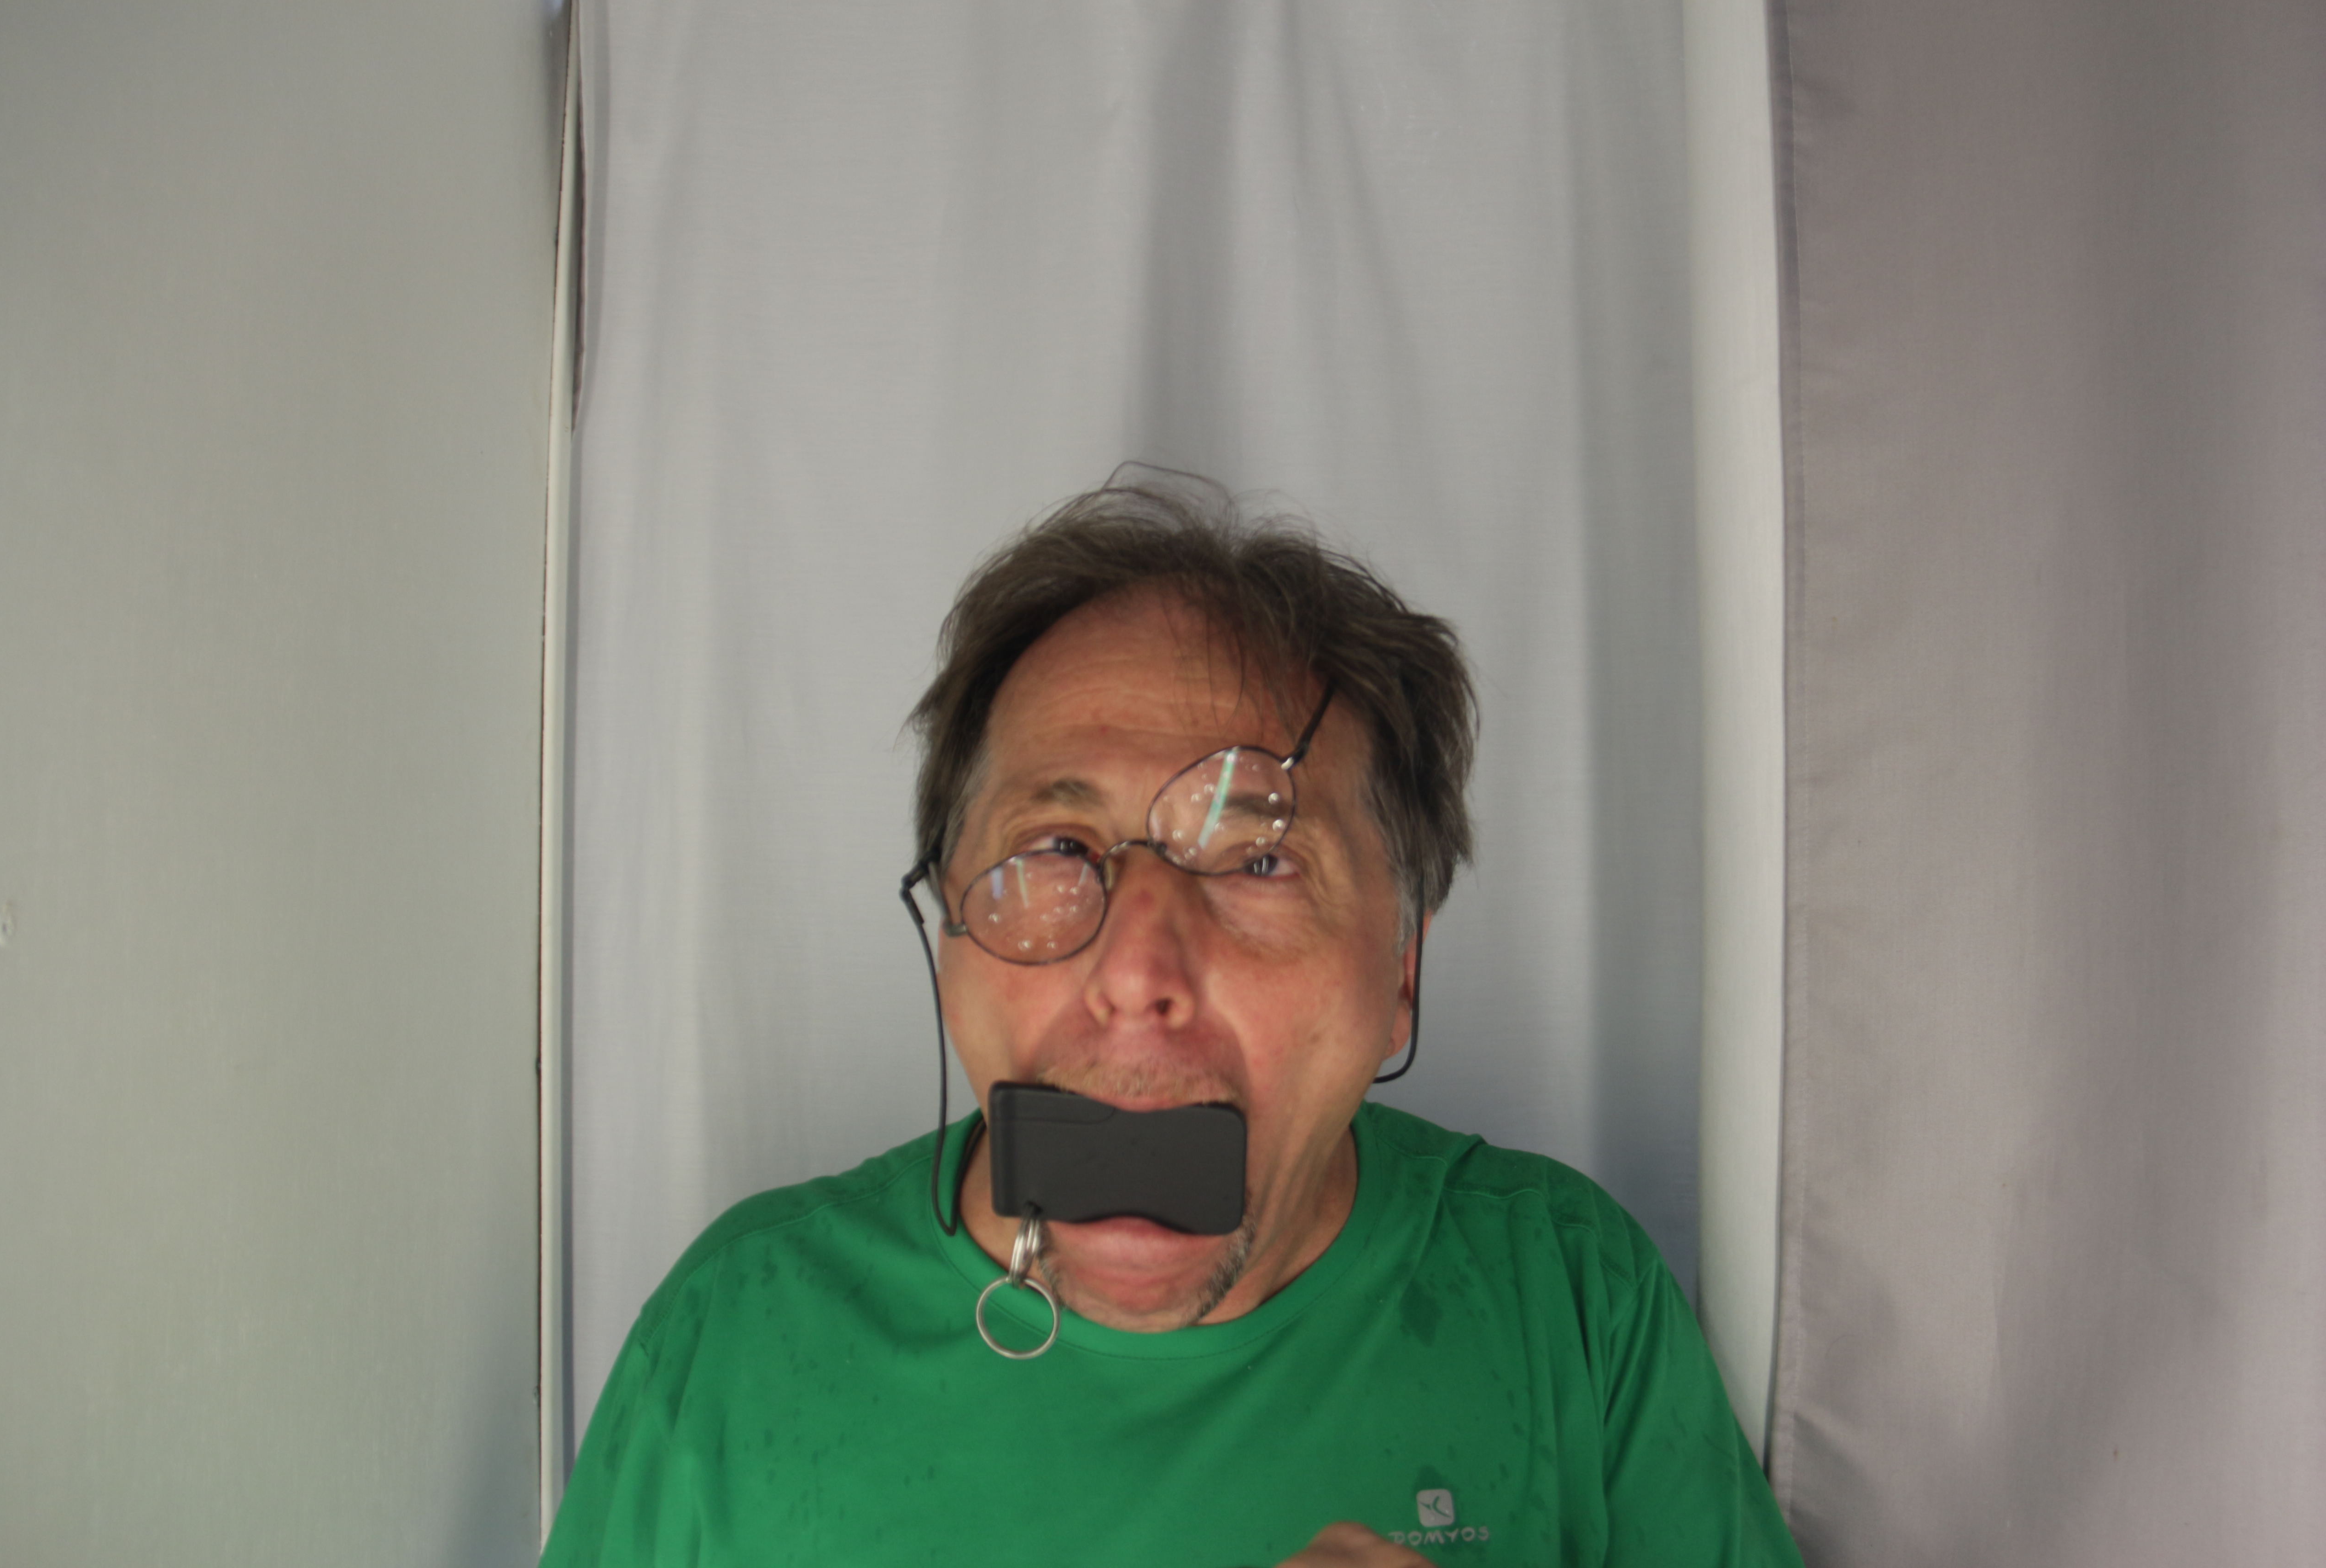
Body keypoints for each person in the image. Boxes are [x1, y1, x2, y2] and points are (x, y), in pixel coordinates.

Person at [542, 472, 1802, 1567]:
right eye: (1055, 849)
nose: (1137, 971)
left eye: (1259, 863)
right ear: (950, 942)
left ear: (1403, 973)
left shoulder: (1565, 1295)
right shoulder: (740, 1332)